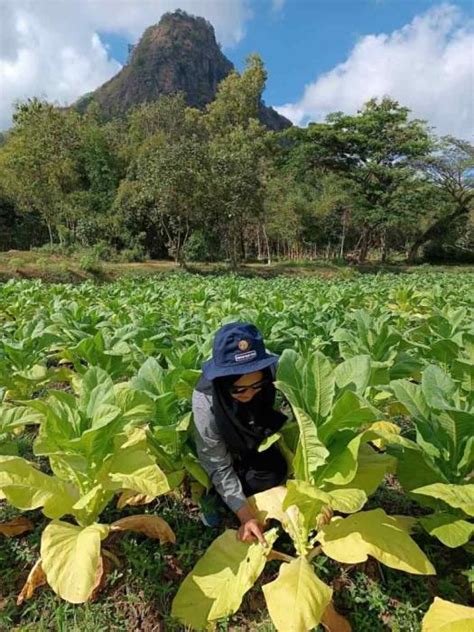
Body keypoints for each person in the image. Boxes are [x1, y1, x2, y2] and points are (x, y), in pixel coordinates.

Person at [192, 322, 288, 544]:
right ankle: (210, 497)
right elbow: (217, 463)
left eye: (257, 386)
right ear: (223, 382)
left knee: (273, 472)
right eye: (239, 389)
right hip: (224, 441)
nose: (250, 394)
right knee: (225, 477)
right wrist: (246, 518)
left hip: (255, 426)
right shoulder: (205, 402)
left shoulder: (273, 369)